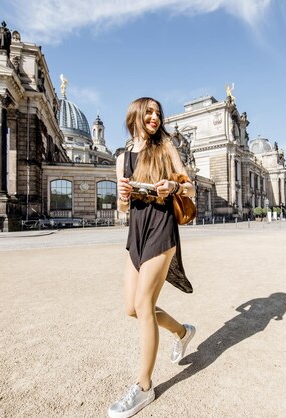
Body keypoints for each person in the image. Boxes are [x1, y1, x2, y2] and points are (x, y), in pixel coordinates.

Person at [108, 97, 196, 418]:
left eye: (158, 113)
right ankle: (183, 332)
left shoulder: (166, 146)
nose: (155, 118)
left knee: (144, 304)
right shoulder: (122, 158)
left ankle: (144, 387)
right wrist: (120, 198)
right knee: (131, 308)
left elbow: (190, 188)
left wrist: (173, 185)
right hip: (136, 232)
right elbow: (122, 210)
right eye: (149, 113)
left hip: (162, 228)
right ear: (135, 115)